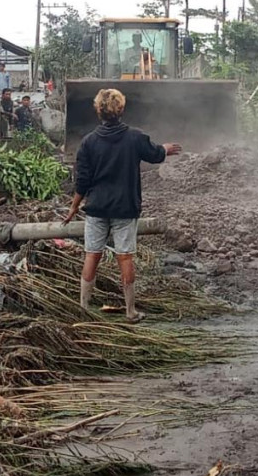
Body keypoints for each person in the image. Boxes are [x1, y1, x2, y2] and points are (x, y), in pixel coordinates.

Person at [62, 88, 180, 322]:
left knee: (92, 255)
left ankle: (83, 309)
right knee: (125, 257)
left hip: (96, 208)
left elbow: (82, 181)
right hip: (125, 208)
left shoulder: (88, 142)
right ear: (122, 109)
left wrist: (74, 206)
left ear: (98, 111)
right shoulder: (135, 138)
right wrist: (165, 149)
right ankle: (130, 311)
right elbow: (155, 154)